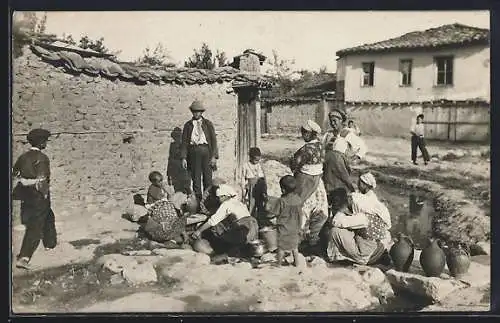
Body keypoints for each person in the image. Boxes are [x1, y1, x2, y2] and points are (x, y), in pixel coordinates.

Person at [12, 128, 56, 270]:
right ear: (41, 142)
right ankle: (24, 257)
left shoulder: (23, 157)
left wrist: (23, 181)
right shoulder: (42, 158)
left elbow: (15, 173)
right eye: (46, 141)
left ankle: (50, 244)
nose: (47, 143)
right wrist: (42, 194)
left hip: (28, 198)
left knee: (49, 216)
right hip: (39, 197)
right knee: (35, 227)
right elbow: (42, 180)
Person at [326, 172, 392, 265]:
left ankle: (337, 257)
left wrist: (341, 211)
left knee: (335, 231)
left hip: (364, 254)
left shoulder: (363, 217)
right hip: (372, 245)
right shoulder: (368, 207)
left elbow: (336, 222)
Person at [289, 120, 329, 252]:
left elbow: (295, 164)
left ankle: (296, 240)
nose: (302, 135)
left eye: (304, 133)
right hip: (318, 181)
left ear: (310, 134)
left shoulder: (306, 150)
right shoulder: (320, 146)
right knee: (319, 208)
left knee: (301, 208)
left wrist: (293, 162)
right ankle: (313, 238)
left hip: (305, 180)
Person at [191, 184, 258, 255]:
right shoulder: (239, 203)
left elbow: (213, 221)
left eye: (219, 197)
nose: (218, 199)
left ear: (225, 196)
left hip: (242, 230)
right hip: (253, 228)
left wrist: (199, 231)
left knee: (218, 233)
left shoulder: (226, 204)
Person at [180, 100, 219, 202]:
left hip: (206, 151)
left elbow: (214, 140)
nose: (196, 113)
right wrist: (184, 158)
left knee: (207, 177)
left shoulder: (208, 124)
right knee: (196, 178)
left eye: (198, 111)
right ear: (192, 112)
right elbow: (184, 143)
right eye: (194, 111)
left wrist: (214, 156)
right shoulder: (188, 125)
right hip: (193, 151)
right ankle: (197, 202)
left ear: (202, 112)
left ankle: (208, 201)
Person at [267, 175, 303, 267]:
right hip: (295, 227)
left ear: (283, 190)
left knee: (281, 247)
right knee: (294, 247)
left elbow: (273, 212)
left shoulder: (282, 201)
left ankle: (278, 263)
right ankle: (296, 262)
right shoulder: (298, 199)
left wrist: (268, 210)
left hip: (284, 227)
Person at [323, 137, 356, 215]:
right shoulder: (337, 157)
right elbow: (343, 175)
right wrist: (351, 187)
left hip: (328, 186)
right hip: (337, 188)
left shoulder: (328, 154)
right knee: (338, 209)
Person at [242, 147, 268, 222]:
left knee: (261, 203)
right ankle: (251, 220)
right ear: (250, 157)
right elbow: (243, 178)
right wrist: (244, 189)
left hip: (260, 185)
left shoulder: (260, 165)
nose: (257, 161)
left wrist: (265, 187)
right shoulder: (246, 165)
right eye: (255, 160)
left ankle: (261, 219)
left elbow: (264, 176)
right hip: (251, 187)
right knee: (251, 204)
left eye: (258, 160)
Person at [167, 127, 192, 195]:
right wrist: (169, 174)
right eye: (175, 137)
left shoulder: (185, 146)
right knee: (177, 189)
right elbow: (170, 159)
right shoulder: (172, 146)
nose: (177, 138)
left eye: (179, 136)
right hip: (175, 171)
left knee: (186, 189)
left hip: (184, 171)